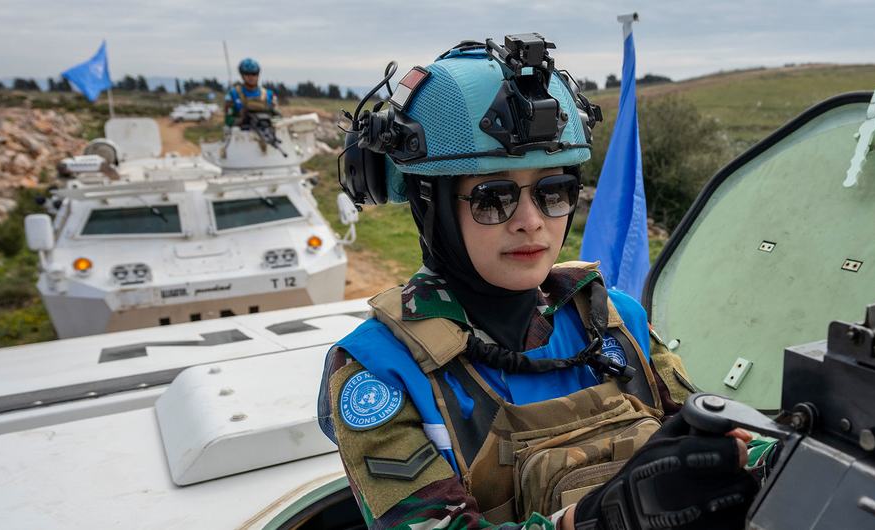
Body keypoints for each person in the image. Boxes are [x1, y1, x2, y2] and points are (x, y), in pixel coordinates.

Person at [318, 35, 761, 530]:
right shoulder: (379, 369)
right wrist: (601, 518)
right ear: (431, 207)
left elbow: (730, 444)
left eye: (554, 192)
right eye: (493, 198)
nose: (531, 221)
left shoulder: (613, 319)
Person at [223, 57, 276, 127]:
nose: (251, 77)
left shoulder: (268, 95)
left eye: (254, 74)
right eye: (247, 74)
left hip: (266, 130)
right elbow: (228, 120)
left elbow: (277, 116)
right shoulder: (234, 94)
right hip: (241, 133)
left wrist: (269, 121)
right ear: (242, 75)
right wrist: (242, 121)